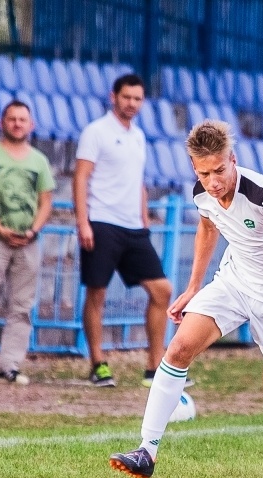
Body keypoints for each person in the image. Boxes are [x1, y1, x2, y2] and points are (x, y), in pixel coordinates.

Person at [108, 119, 263, 478]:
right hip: (234, 281)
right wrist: (193, 288)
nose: (214, 180)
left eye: (220, 170)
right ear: (194, 168)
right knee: (178, 349)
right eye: (205, 173)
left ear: (232, 159)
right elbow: (208, 225)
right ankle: (147, 451)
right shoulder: (202, 192)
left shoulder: (262, 193)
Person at [72, 73, 174, 387]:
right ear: (113, 96)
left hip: (133, 227)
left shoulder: (138, 136)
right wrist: (83, 221)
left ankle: (155, 368)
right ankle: (98, 364)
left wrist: (143, 216)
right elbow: (81, 178)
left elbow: (138, 180)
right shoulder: (96, 132)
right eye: (126, 97)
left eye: (137, 98)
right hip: (102, 222)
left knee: (163, 290)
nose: (131, 103)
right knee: (97, 293)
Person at [0, 100, 55, 385]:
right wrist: (0, 230)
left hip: (28, 241)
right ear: (2, 122)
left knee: (21, 305)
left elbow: (46, 202)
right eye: (12, 119)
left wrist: (32, 231)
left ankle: (10, 364)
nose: (17, 124)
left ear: (31, 125)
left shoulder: (38, 161)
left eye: (23, 119)